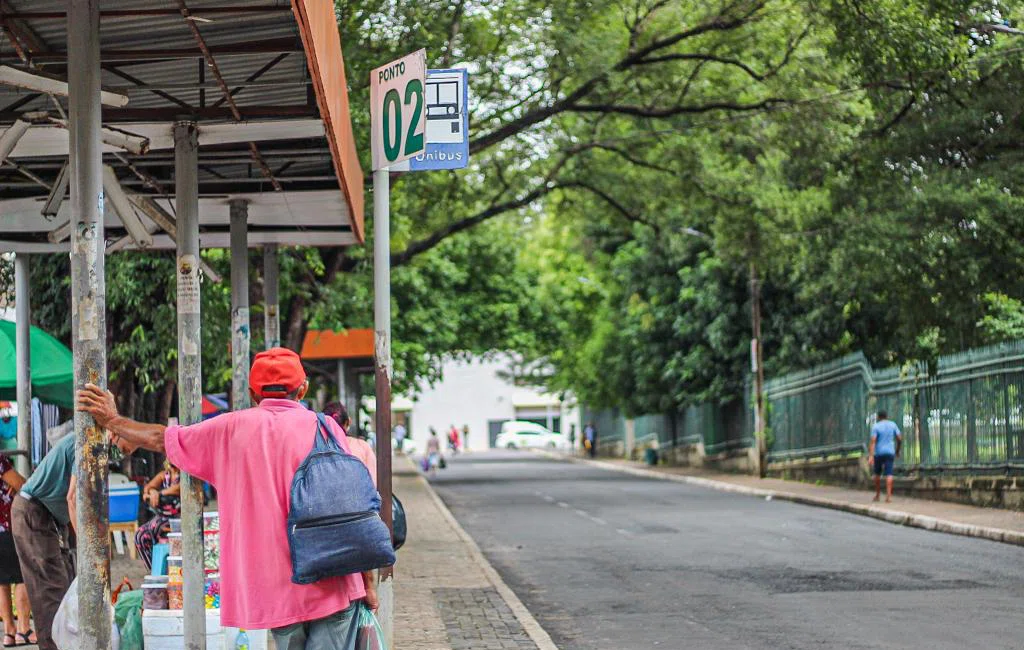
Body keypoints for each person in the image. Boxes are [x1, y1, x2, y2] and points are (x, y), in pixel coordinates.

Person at [78, 348, 378, 648]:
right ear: (303, 388)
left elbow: (162, 438)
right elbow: (354, 509)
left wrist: (112, 419)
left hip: (279, 593)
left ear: (252, 393)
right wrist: (367, 584)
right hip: (335, 580)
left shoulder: (230, 430)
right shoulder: (327, 430)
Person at [11, 430, 132, 650]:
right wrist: (88, 545)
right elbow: (73, 497)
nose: (125, 454)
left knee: (67, 581)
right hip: (34, 511)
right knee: (50, 589)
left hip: (52, 516)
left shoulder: (98, 445)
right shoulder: (90, 442)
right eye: (125, 448)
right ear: (114, 433)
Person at [0, 453, 34, 647]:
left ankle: (8, 632)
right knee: (22, 576)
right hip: (6, 528)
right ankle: (23, 629)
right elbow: (22, 484)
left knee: (2, 582)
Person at [134, 462, 181, 570]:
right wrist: (152, 491)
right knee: (140, 535)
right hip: (161, 516)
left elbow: (178, 488)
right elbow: (148, 487)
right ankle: (154, 569)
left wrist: (159, 494)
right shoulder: (163, 475)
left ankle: (166, 569)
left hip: (178, 518)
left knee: (156, 528)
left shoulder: (186, 476)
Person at [869, 410, 902, 503]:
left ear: (879, 417)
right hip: (890, 452)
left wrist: (871, 456)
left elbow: (873, 442)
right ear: (887, 416)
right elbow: (899, 438)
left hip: (878, 453)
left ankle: (878, 494)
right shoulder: (893, 425)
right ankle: (888, 496)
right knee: (889, 474)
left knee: (877, 474)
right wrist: (897, 450)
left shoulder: (876, 426)